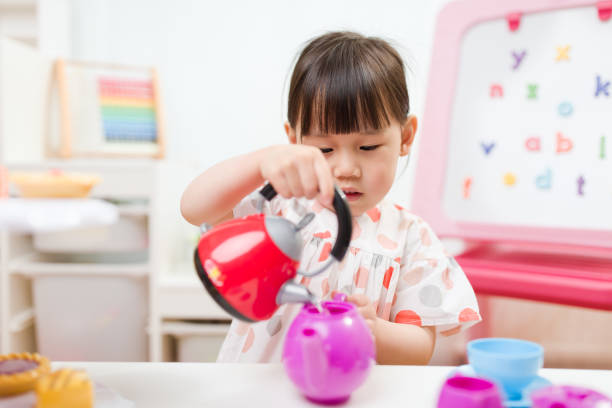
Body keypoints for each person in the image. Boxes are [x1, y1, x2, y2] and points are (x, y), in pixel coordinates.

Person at [181, 31, 481, 365]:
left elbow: (420, 349)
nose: (346, 169)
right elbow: (194, 208)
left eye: (368, 147)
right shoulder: (278, 207)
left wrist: (374, 330)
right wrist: (262, 161)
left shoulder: (411, 237)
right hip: (260, 391)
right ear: (294, 140)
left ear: (406, 136)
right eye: (324, 149)